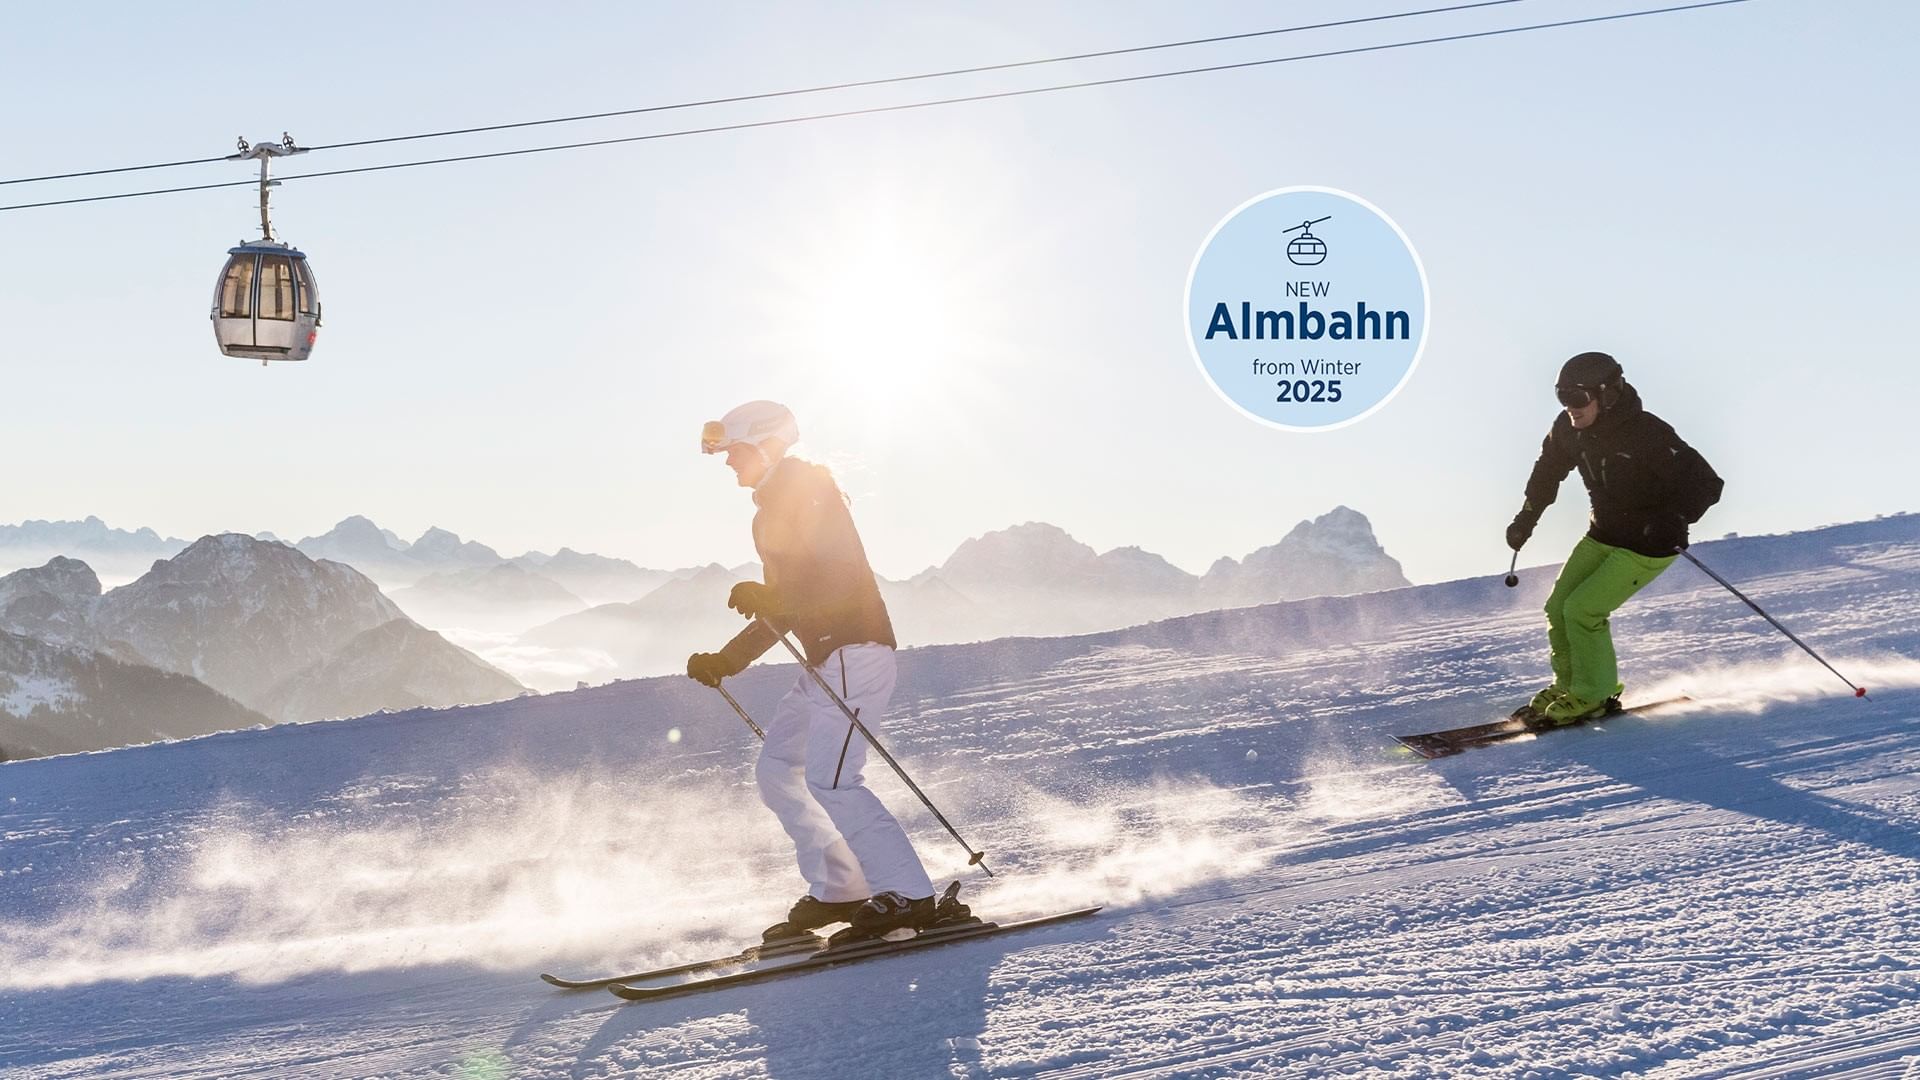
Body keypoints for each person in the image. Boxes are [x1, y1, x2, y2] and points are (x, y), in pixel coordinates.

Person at [684, 400, 938, 940]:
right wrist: (727, 661)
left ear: (764, 445)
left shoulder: (808, 492)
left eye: (733, 452)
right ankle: (841, 888)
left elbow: (841, 578)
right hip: (827, 660)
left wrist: (771, 592)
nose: (728, 463)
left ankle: (911, 895)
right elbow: (782, 607)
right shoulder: (769, 511)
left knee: (833, 779)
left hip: (857, 652)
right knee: (778, 769)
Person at [1506, 352, 1724, 726]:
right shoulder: (1568, 430)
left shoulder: (1647, 433)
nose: (1570, 408)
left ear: (1607, 395)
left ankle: (1595, 695)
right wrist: (1526, 518)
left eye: (1578, 398)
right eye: (1562, 398)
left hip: (1648, 543)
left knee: (1584, 610)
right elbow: (1547, 473)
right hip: (1604, 533)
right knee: (1558, 607)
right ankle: (1570, 685)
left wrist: (1672, 520)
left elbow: (1707, 484)